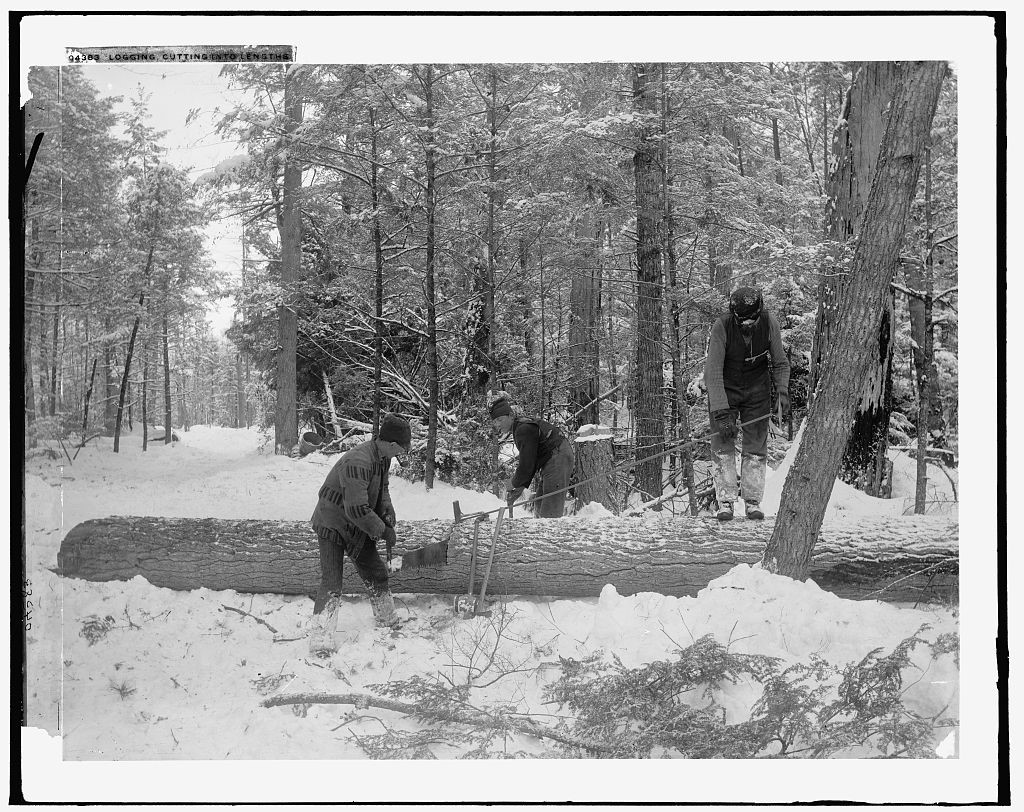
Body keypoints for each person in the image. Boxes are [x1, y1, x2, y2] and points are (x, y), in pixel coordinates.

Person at [306, 413, 412, 656]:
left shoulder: (382, 459)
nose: (401, 454)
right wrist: (383, 531)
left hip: (355, 524)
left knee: (376, 572)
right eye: (401, 449)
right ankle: (321, 638)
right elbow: (357, 510)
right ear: (392, 444)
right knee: (332, 582)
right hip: (332, 522)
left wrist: (387, 511)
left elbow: (382, 489)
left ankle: (387, 618)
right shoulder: (359, 461)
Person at [704, 286, 790, 521]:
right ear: (734, 314)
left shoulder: (769, 322)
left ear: (759, 311)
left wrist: (782, 391)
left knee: (755, 445)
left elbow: (780, 362)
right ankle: (725, 501)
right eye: (743, 320)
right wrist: (721, 412)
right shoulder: (722, 326)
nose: (748, 324)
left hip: (757, 390)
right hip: (726, 388)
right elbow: (712, 372)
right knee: (722, 442)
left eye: (752, 318)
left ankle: (752, 502)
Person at [489, 397, 575, 518]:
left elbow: (527, 463)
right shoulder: (520, 427)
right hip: (551, 459)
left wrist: (513, 483)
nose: (497, 424)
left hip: (558, 456)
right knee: (539, 504)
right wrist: (519, 487)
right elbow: (531, 460)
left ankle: (549, 535)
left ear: (511, 415)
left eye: (500, 419)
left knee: (550, 511)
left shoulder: (523, 429)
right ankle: (540, 533)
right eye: (495, 422)